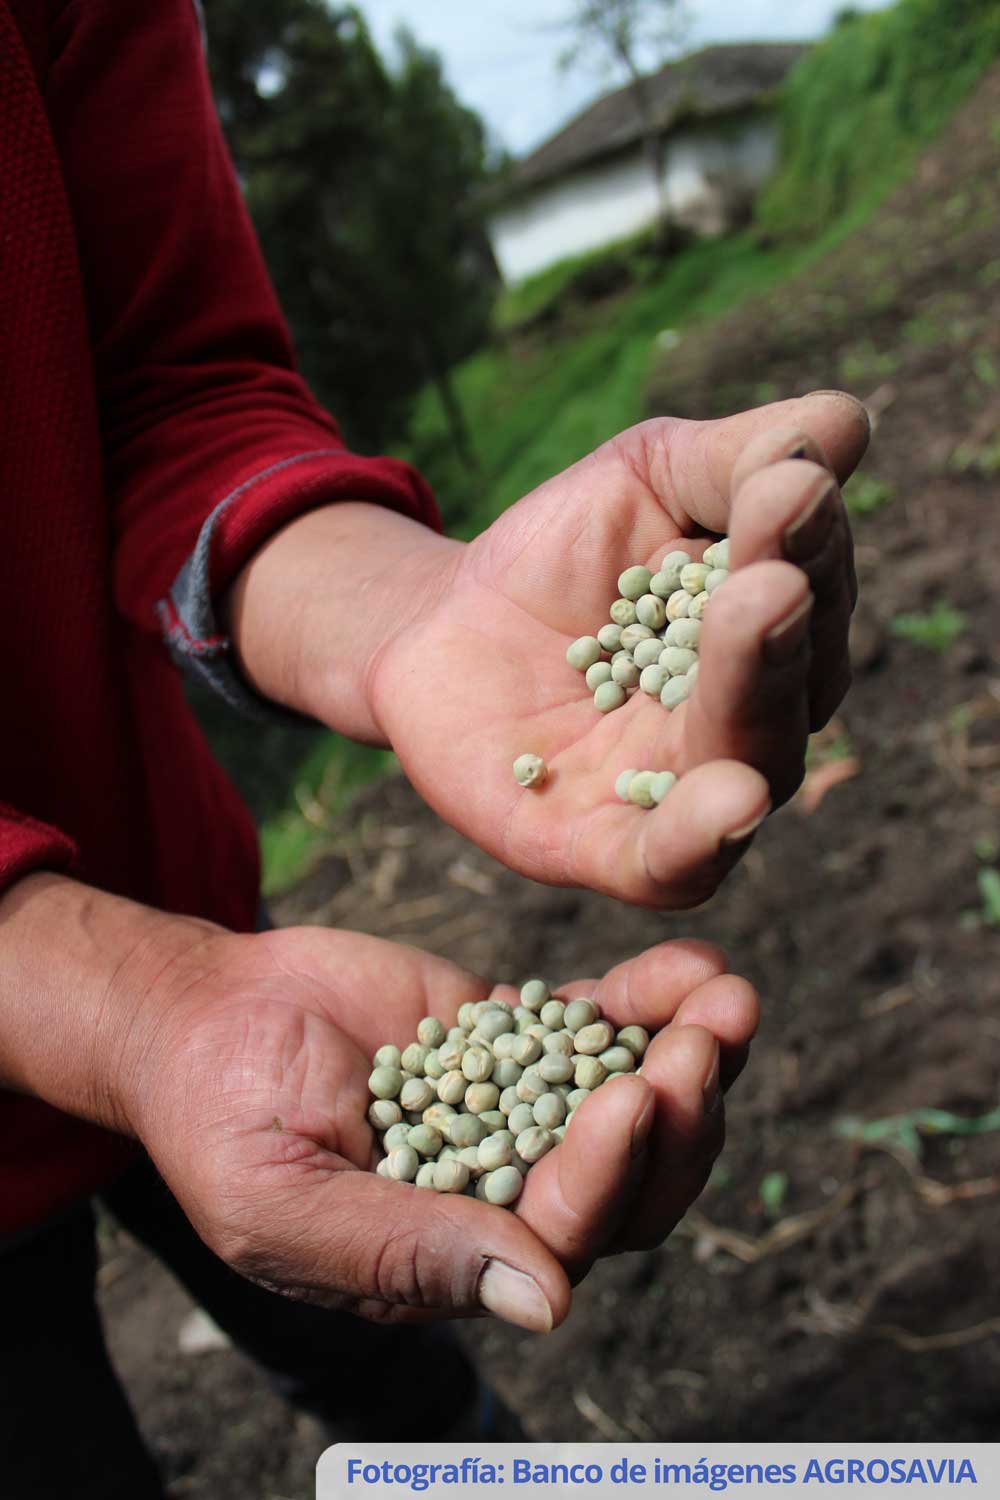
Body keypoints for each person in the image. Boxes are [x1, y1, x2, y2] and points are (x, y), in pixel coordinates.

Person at [0, 0, 869, 1493]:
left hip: (196, 929)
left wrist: (414, 613)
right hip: (144, 998)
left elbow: (162, 387)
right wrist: (116, 1005)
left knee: (379, 1350)